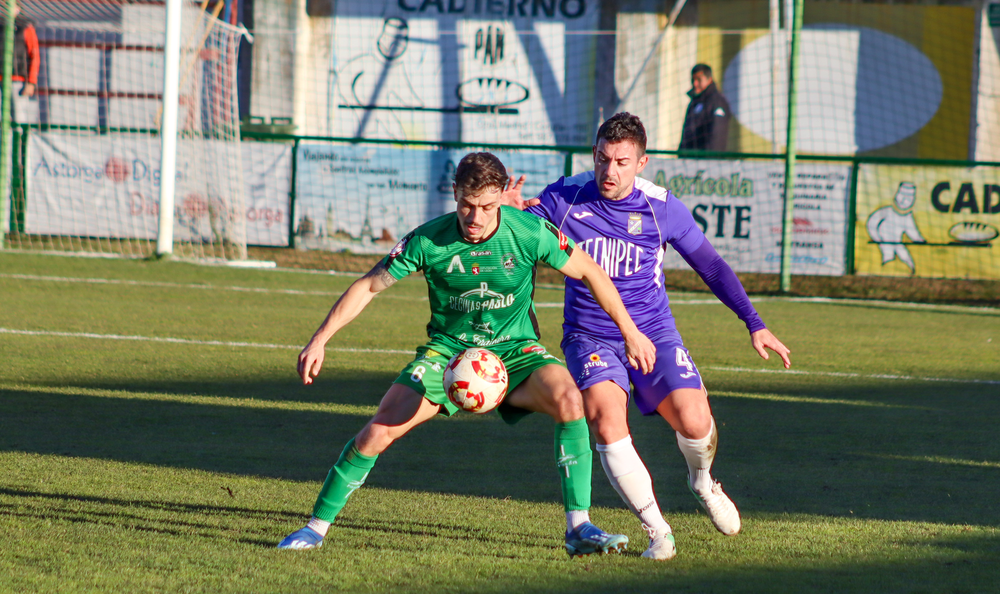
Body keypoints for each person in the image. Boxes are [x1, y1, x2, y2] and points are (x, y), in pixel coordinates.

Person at [278, 151, 657, 557]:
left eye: (488, 207)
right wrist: (320, 338)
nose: (476, 217)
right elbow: (369, 286)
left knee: (570, 399)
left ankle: (578, 528)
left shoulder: (528, 231)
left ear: (500, 200)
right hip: (448, 357)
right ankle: (315, 527)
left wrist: (630, 331)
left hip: (516, 353)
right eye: (467, 206)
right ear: (455, 193)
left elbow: (590, 271)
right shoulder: (429, 239)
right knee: (379, 430)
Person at [504, 112, 791, 560]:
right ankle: (658, 531)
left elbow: (711, 266)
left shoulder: (662, 207)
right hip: (590, 336)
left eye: (621, 161)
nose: (609, 171)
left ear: (641, 163)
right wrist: (510, 211)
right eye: (602, 158)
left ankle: (702, 480)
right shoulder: (566, 197)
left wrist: (754, 322)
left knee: (695, 422)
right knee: (603, 417)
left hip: (654, 333)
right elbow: (517, 237)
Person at [0, 0, 40, 115]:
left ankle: (20, 133)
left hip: (17, 80)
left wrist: (31, 82)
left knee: (18, 116)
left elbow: (34, 56)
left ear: (18, 8)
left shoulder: (26, 28)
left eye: (9, 5)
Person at [679, 63, 729, 152]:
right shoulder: (694, 102)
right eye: (693, 80)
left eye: (699, 79)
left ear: (709, 80)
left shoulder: (717, 102)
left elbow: (717, 136)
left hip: (705, 162)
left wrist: (709, 160)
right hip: (688, 160)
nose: (695, 84)